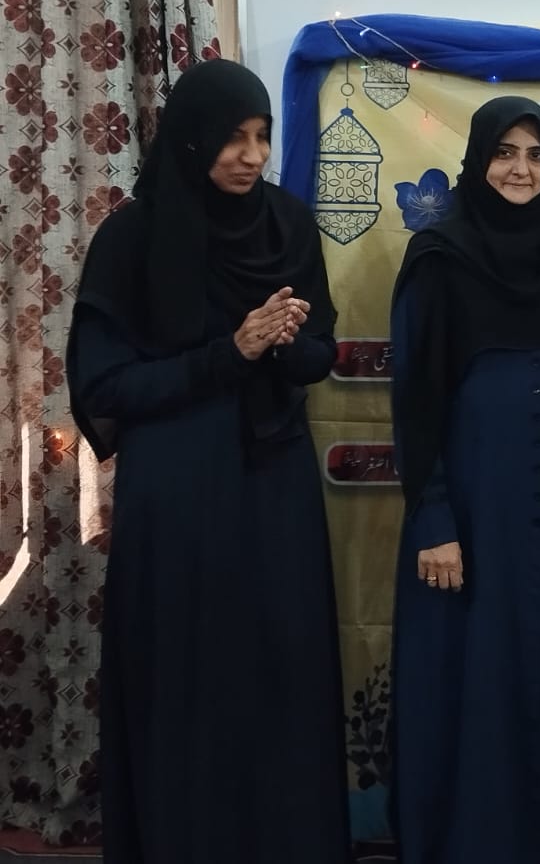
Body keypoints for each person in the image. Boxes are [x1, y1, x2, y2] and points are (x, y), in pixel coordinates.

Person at [67, 59, 349, 864]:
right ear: (192, 140)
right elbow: (106, 384)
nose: (252, 155)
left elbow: (320, 349)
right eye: (233, 138)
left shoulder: (287, 225)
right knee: (189, 679)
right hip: (178, 492)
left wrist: (290, 343)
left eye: (262, 136)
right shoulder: (133, 237)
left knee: (281, 673)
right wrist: (231, 351)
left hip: (273, 483)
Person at [387, 95, 540, 864]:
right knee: (470, 671)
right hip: (471, 509)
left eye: (535, 155)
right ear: (478, 159)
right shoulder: (439, 257)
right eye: (504, 153)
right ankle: (466, 841)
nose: (521, 170)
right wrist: (434, 521)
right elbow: (414, 400)